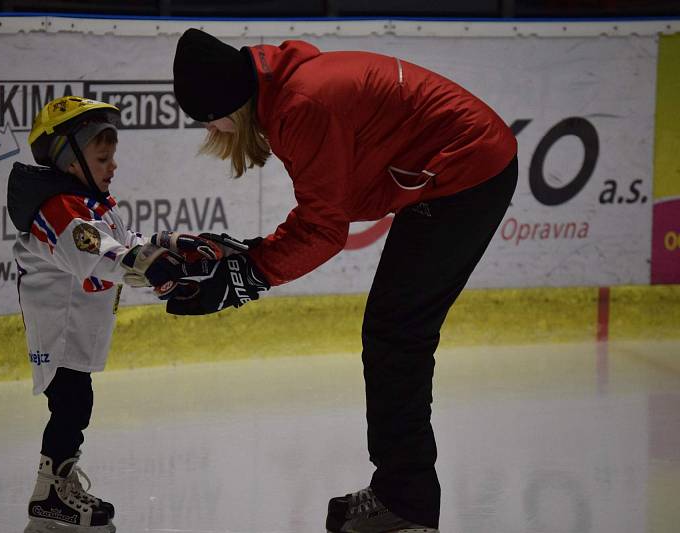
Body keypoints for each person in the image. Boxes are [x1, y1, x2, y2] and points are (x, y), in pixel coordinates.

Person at [165, 29, 519, 533]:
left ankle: (406, 503)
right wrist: (251, 257)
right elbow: (325, 210)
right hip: (460, 169)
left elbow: (323, 231)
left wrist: (245, 275)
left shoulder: (300, 105)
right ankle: (403, 492)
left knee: (397, 334)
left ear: (230, 103)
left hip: (466, 172)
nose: (213, 132)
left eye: (209, 119)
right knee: (394, 333)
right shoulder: (289, 91)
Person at [8, 96, 219, 533]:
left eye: (112, 157)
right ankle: (48, 493)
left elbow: (123, 241)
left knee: (75, 404)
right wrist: (143, 264)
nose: (113, 166)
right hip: (59, 330)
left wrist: (167, 242)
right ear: (69, 163)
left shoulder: (89, 204)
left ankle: (58, 485)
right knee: (71, 405)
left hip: (77, 328)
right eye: (103, 158)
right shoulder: (60, 210)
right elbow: (99, 252)